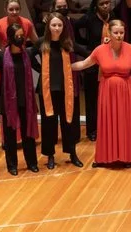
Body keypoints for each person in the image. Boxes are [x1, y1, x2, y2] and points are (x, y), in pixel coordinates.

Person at [73, 19, 131, 167]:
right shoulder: (100, 50)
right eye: (116, 32)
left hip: (126, 92)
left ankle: (125, 156)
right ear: (109, 33)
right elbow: (84, 64)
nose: (119, 35)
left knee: (124, 122)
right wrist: (65, 66)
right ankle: (105, 157)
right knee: (107, 122)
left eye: (121, 32)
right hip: (107, 92)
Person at [37, 11, 85, 169]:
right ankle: (50, 155)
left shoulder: (68, 43)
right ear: (48, 26)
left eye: (59, 25)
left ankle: (72, 154)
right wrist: (39, 69)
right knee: (48, 124)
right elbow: (26, 54)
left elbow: (87, 52)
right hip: (47, 91)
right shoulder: (41, 43)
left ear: (64, 26)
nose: (56, 28)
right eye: (54, 25)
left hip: (65, 90)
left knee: (68, 123)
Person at [0, 23, 42, 175]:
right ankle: (12, 165)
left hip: (26, 101)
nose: (20, 38)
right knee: (9, 136)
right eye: (17, 36)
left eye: (22, 35)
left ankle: (32, 162)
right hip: (9, 103)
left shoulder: (27, 54)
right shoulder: (1, 56)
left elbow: (40, 68)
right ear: (10, 38)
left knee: (28, 134)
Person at [74, 0, 116, 141]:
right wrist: (85, 45)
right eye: (101, 4)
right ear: (96, 6)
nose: (105, 6)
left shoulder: (114, 18)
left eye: (107, 2)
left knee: (109, 99)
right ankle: (92, 130)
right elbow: (75, 27)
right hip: (93, 64)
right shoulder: (89, 18)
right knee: (92, 99)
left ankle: (108, 128)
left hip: (110, 63)